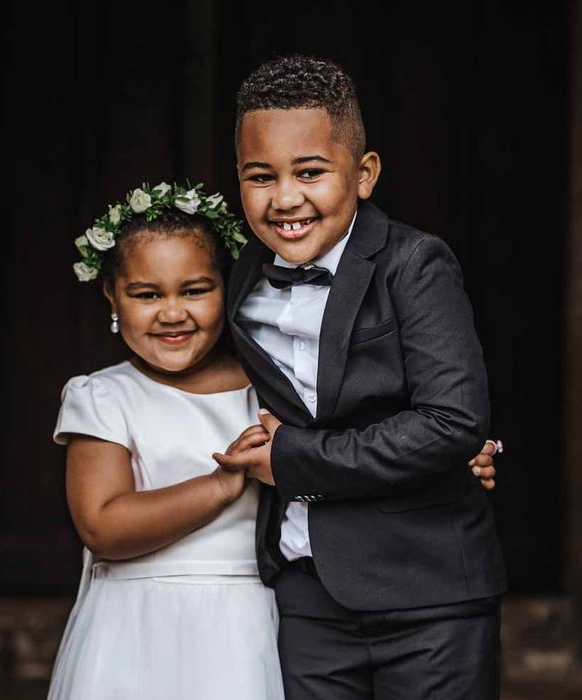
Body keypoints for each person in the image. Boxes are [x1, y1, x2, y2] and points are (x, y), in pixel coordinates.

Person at [48, 179, 500, 698]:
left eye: (195, 291)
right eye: (146, 295)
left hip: (251, 618)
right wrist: (220, 485)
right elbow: (102, 525)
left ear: (231, 287)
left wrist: (452, 452)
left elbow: (363, 435)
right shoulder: (103, 395)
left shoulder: (269, 385)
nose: (172, 313)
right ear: (112, 295)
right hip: (140, 623)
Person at [213, 55, 508, 699]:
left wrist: (293, 459)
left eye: (310, 172)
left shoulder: (414, 264)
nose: (285, 198)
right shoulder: (238, 278)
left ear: (365, 173)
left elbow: (452, 421)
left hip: (428, 592)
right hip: (305, 592)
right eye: (260, 177)